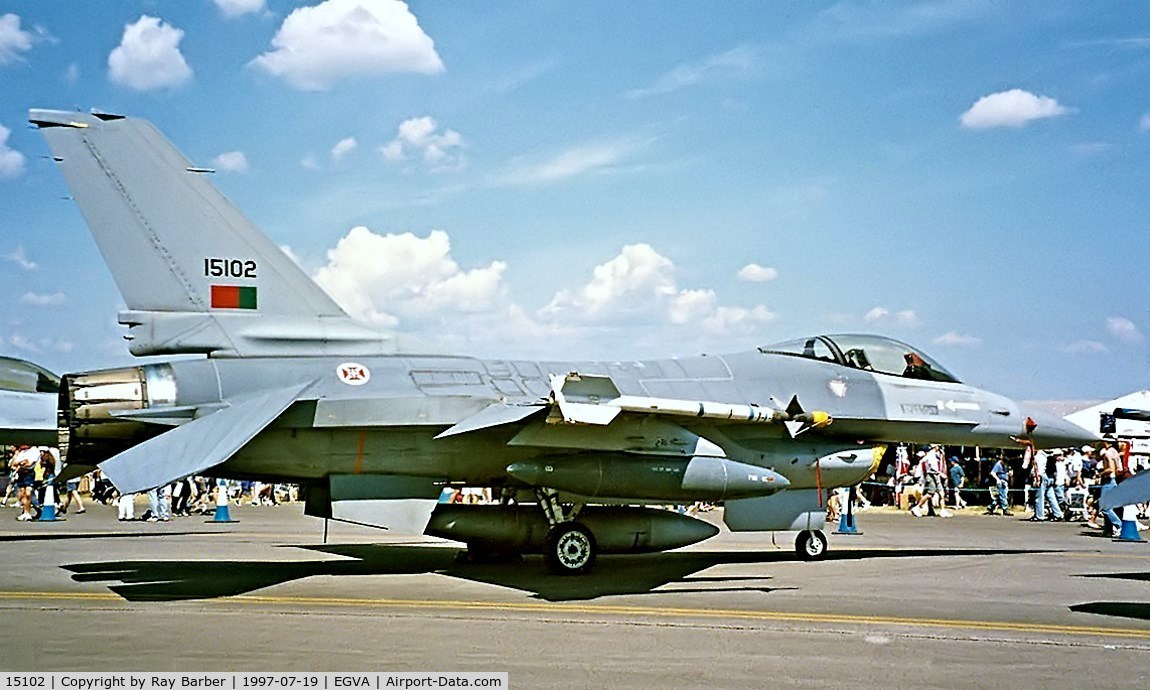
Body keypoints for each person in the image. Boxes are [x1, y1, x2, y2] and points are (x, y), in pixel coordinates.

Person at [1097, 439, 1123, 536]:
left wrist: (1101, 473)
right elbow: (1118, 469)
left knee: (1104, 507)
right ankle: (1111, 528)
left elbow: (1110, 469)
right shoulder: (1115, 452)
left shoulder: (1108, 453)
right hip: (1114, 480)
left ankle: (1119, 526)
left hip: (1108, 481)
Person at [9, 446, 37, 521]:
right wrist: (21, 462)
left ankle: (28, 512)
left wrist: (21, 464)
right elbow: (13, 464)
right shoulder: (21, 452)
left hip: (29, 474)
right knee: (22, 494)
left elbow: (30, 463)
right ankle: (25, 512)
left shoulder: (34, 450)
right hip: (21, 474)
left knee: (28, 493)